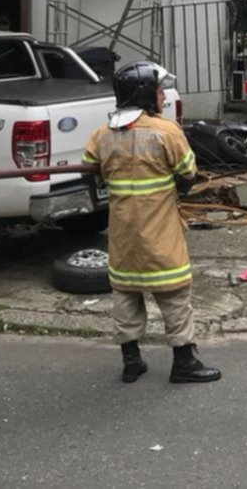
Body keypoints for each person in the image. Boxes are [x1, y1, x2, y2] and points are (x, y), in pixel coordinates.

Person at [82, 62, 221, 385]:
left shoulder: (102, 136)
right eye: (159, 91)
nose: (162, 96)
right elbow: (188, 174)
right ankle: (184, 362)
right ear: (146, 94)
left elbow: (91, 173)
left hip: (123, 236)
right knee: (174, 293)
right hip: (160, 234)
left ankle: (132, 362)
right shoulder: (167, 132)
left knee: (126, 294)